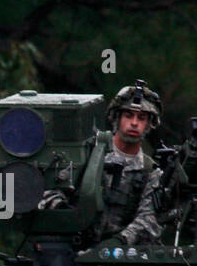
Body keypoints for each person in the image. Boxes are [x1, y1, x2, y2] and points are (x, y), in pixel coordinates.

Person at [38, 82, 164, 247]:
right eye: (128, 115)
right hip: (71, 250)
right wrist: (68, 214)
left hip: (122, 258)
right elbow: (49, 192)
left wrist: (119, 241)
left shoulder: (150, 171)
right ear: (116, 118)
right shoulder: (86, 153)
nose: (134, 123)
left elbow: (149, 219)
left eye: (141, 118)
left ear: (149, 124)